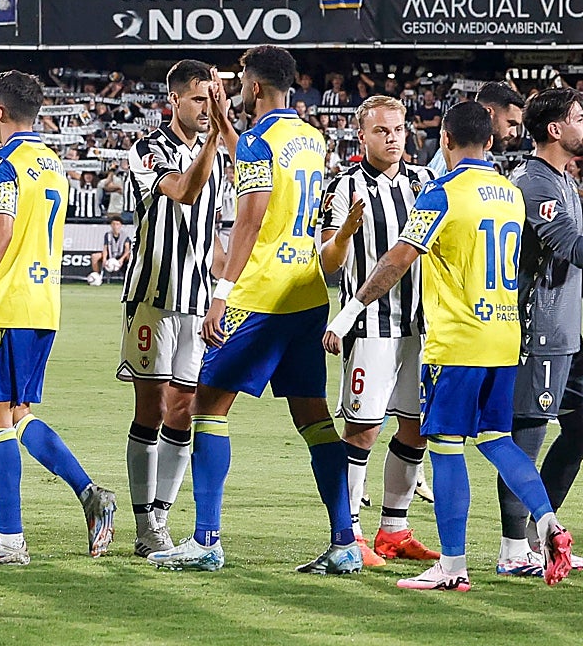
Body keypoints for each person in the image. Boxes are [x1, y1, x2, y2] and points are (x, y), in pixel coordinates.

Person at [324, 100, 575, 591]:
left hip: (457, 340)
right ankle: (548, 524)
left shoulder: (441, 194)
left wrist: (350, 310)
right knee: (498, 440)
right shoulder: (510, 193)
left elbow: (397, 260)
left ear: (444, 138)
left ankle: (453, 567)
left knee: (445, 445)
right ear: (491, 140)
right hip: (505, 337)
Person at [149, 45, 359, 575]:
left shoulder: (260, 143)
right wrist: (222, 122)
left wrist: (221, 291)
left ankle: (206, 540)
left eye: (241, 79)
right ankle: (344, 542)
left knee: (208, 408)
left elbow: (250, 219)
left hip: (259, 296)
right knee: (313, 418)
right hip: (307, 292)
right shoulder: (311, 139)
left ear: (255, 87)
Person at [0, 70, 117, 566]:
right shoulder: (51, 162)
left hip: (6, 304)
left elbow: (0, 230)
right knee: (18, 414)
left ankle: (9, 540)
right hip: (43, 305)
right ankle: (89, 493)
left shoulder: (3, 163)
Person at [118, 62, 238, 556]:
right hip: (152, 299)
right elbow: (185, 191)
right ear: (174, 101)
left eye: (210, 99)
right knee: (154, 406)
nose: (205, 108)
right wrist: (216, 136)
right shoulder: (147, 149)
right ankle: (144, 520)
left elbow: (212, 234)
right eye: (197, 100)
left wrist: (224, 292)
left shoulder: (222, 159)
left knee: (186, 411)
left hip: (195, 304)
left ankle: (161, 519)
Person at [318, 96, 438, 567]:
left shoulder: (425, 182)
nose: (392, 137)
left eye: (398, 129)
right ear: (362, 135)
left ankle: (394, 529)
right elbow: (328, 262)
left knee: (416, 428)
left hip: (420, 327)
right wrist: (345, 232)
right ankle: (349, 534)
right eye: (381, 130)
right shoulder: (344, 186)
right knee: (363, 430)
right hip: (370, 326)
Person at [496, 89, 583, 577]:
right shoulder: (533, 183)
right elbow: (571, 246)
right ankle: (514, 550)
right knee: (525, 436)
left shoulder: (561, 178)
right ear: (555, 129)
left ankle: (541, 532)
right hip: (540, 330)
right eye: (579, 116)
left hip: (567, 329)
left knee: (579, 426)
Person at [427, 81, 525, 176]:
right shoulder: (459, 155)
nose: (514, 133)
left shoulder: (459, 151)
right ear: (488, 113)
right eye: (511, 123)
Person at [89, 215, 132, 285]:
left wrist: (121, 259)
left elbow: (127, 250)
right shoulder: (108, 235)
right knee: (94, 256)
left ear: (121, 225)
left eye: (117, 224)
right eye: (113, 224)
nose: (115, 226)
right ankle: (97, 277)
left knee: (130, 257)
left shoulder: (125, 236)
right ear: (111, 225)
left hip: (120, 256)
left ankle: (129, 279)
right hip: (111, 254)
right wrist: (104, 259)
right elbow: (105, 248)